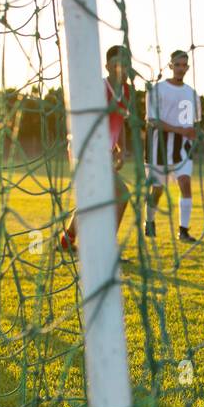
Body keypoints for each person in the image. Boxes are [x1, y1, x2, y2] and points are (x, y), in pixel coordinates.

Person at [59, 45, 131, 253]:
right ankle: (106, 248)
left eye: (125, 65)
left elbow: (121, 121)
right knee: (122, 194)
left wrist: (121, 149)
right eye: (117, 64)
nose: (122, 69)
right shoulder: (99, 88)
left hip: (104, 153)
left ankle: (67, 239)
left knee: (91, 199)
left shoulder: (126, 91)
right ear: (107, 66)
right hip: (86, 150)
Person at [144, 50, 200, 244]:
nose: (181, 68)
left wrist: (194, 134)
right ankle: (149, 221)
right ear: (170, 66)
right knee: (157, 191)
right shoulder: (156, 90)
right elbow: (152, 120)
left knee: (185, 184)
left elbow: (193, 124)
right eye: (177, 65)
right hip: (157, 149)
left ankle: (183, 231)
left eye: (184, 65)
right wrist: (179, 130)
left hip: (182, 150)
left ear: (188, 68)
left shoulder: (191, 94)